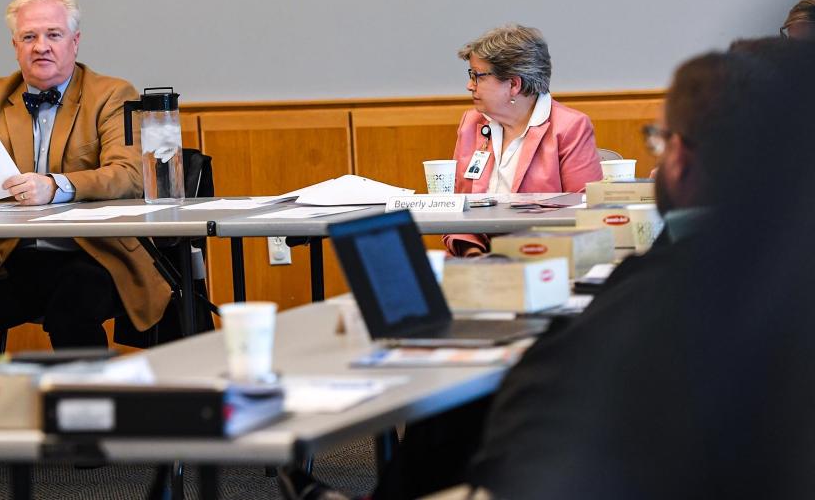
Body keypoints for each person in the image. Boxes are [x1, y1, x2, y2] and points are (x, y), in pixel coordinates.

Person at [279, 39, 815, 499]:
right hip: (521, 300)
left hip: (577, 465)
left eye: (660, 141)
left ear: (685, 159)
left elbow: (582, 217)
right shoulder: (755, 275)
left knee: (469, 401)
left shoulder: (669, 287)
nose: (655, 163)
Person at [0, 0, 170, 368]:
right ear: (15, 45)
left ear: (75, 42)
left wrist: (56, 186)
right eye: (29, 36)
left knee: (71, 311)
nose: (40, 45)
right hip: (15, 256)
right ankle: (7, 403)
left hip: (96, 254)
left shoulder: (112, 94)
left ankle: (90, 414)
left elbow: (129, 175)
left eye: (53, 35)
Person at [444, 25, 602, 257]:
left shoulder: (570, 127)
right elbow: (458, 209)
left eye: (477, 76)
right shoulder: (472, 123)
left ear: (513, 84)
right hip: (477, 262)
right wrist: (473, 256)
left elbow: (587, 213)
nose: (470, 85)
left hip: (544, 260)